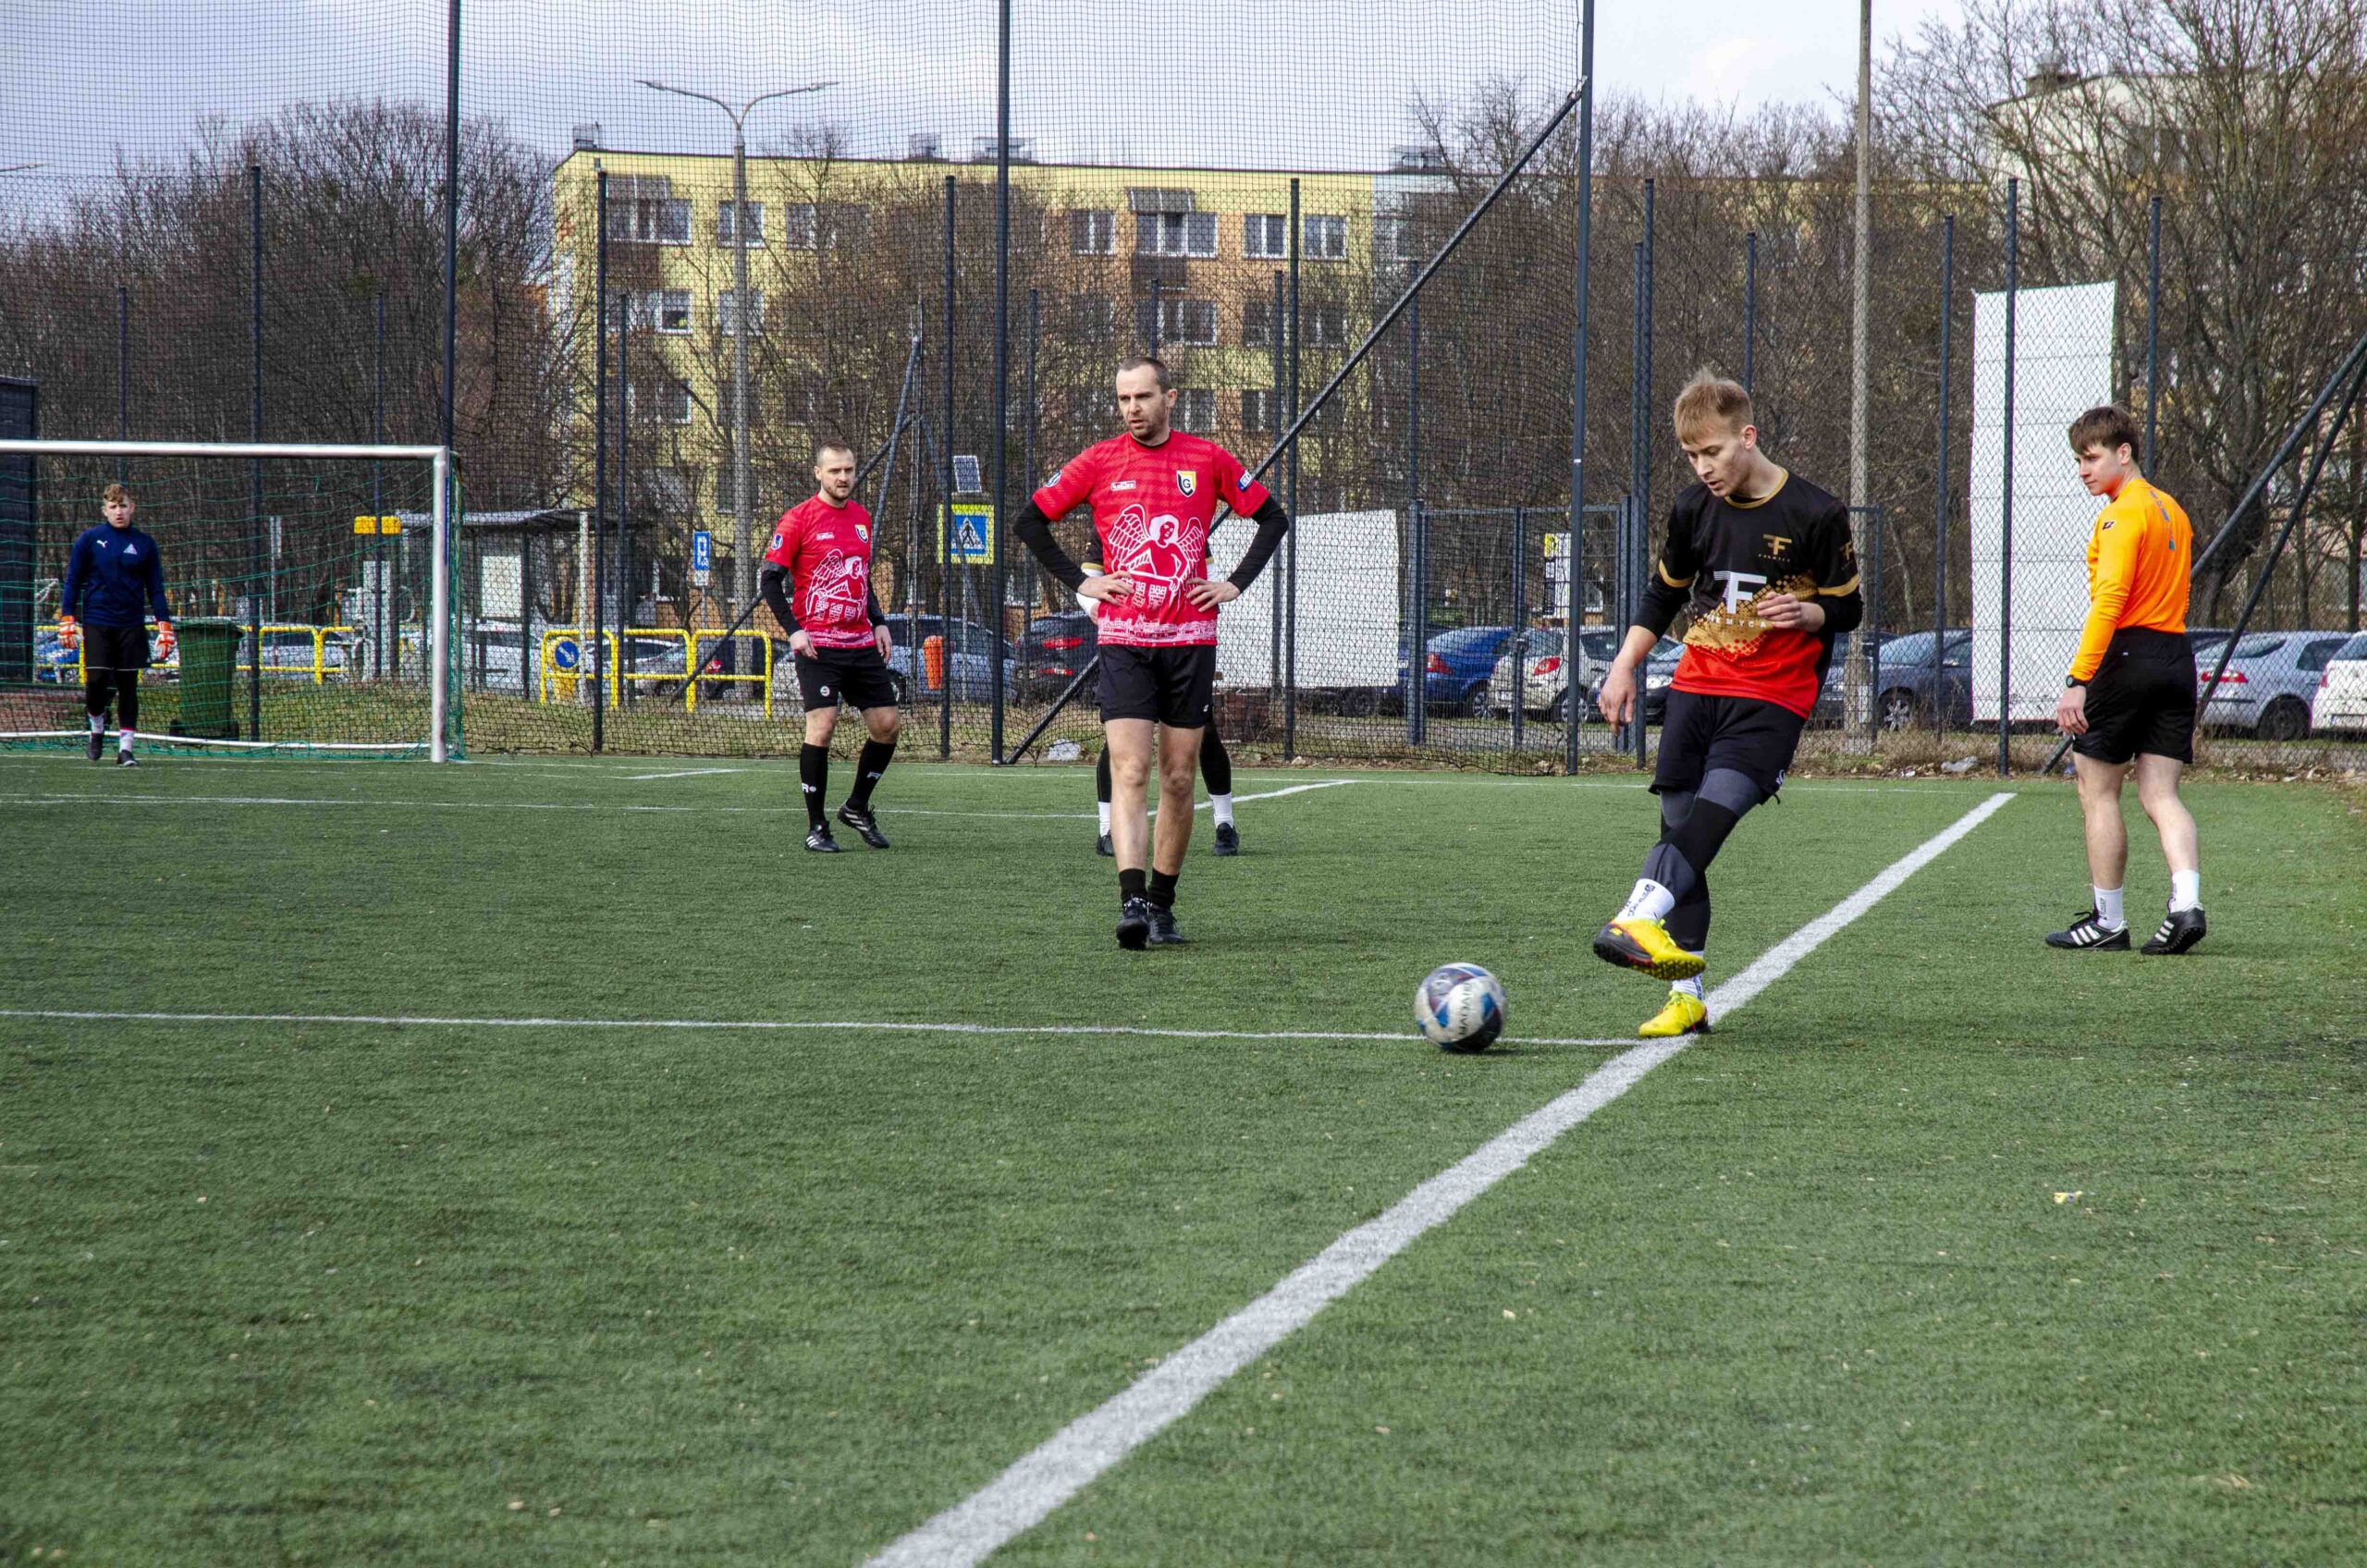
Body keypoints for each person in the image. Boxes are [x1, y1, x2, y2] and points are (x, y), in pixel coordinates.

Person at [1592, 371, 1862, 1037]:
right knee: (1679, 827)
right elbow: (1665, 594)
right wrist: (1623, 666)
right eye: (1691, 455)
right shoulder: (1692, 508)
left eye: (1711, 451)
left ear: (1747, 436)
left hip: (1772, 697)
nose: (1702, 467)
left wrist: (1808, 613)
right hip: (1697, 685)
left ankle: (1635, 916)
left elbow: (1849, 607)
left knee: (1712, 818)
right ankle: (1685, 997)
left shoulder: (1816, 512)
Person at [1014, 355, 1289, 948]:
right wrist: (1082, 582)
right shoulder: (1099, 460)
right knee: (1131, 770)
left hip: (1190, 642)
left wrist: (1233, 583)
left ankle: (1162, 905)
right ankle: (1132, 903)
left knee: (1179, 778)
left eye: (1142, 397)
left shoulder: (1207, 458)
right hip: (1124, 643)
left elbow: (1272, 518)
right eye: (1124, 399)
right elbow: (1030, 521)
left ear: (1170, 398)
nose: (1132, 408)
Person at [2046, 403, 2204, 955]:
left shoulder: (2119, 516)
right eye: (2078, 460)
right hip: (2175, 655)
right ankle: (2186, 905)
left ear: (2124, 452)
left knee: (2098, 790)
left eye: (2091, 458)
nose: (2083, 471)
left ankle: (2108, 921)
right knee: (2161, 793)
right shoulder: (2173, 510)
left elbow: (2110, 600)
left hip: (2128, 656)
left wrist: (2078, 678)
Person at [758, 442, 900, 853]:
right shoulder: (798, 519)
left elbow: (862, 578)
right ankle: (817, 827)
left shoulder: (861, 518)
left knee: (887, 725)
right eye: (835, 470)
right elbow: (770, 581)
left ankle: (856, 807)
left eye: (848, 470)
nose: (843, 477)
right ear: (818, 473)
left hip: (860, 642)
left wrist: (879, 621)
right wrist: (794, 631)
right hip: (817, 646)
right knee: (822, 727)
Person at [1081, 557, 1240, 857]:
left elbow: (1207, 571)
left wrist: (1220, 590)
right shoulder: (1111, 528)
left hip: (1182, 646)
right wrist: (1092, 606)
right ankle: (1107, 829)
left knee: (1204, 733)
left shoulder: (1188, 527)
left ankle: (1225, 824)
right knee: (1119, 742)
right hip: (1130, 645)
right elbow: (1088, 575)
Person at [57, 483, 174, 767]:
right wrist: (67, 617)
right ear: (104, 510)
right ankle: (97, 727)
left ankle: (126, 749)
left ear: (132, 508)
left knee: (127, 685)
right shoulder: (90, 539)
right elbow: (73, 580)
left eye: (123, 505)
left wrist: (164, 624)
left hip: (131, 624)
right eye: (113, 506)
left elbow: (156, 588)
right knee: (96, 681)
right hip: (97, 621)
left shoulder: (145, 544)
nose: (118, 511)